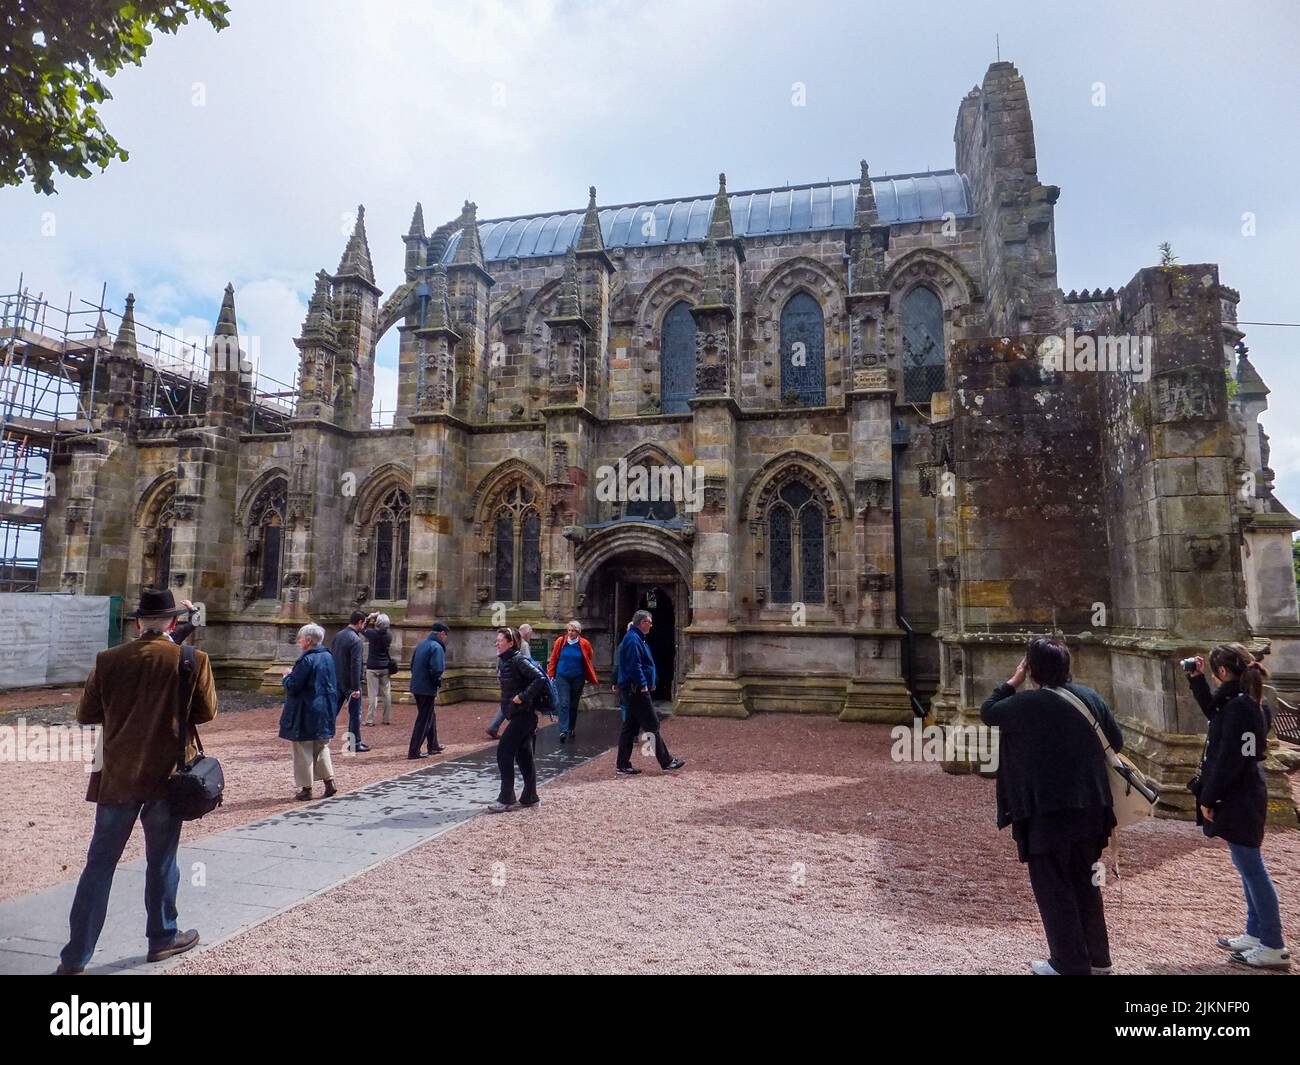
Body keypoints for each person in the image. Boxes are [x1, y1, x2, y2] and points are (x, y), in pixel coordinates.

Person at [56, 588, 218, 975]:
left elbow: (87, 714)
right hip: (168, 776)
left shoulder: (109, 659)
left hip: (118, 775)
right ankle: (162, 938)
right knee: (162, 861)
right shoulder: (193, 659)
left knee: (99, 865)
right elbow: (206, 712)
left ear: (137, 622)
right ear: (174, 622)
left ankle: (75, 957)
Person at [980, 637, 1121, 976]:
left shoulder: (1024, 704)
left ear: (1031, 668)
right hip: (1091, 806)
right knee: (1086, 880)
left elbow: (988, 711)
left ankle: (1069, 962)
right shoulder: (1089, 697)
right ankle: (1098, 959)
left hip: (1047, 810)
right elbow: (1115, 741)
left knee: (1054, 886)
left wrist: (1011, 682)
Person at [1187, 644, 1290, 970]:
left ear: (1222, 672)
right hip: (1245, 792)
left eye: (1213, 676)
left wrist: (1208, 798)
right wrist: (1197, 681)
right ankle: (1255, 933)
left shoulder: (1238, 707)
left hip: (1239, 795)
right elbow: (1218, 718)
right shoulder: (1247, 703)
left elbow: (1230, 760)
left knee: (1253, 871)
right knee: (1247, 867)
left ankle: (1273, 945)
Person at [615, 610, 685, 776]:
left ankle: (623, 764)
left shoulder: (636, 638)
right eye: (649, 622)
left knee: (629, 728)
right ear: (642, 623)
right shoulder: (633, 639)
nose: (652, 625)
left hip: (633, 689)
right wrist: (643, 684)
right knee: (652, 725)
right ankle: (667, 762)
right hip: (636, 690)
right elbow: (635, 665)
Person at [489, 626, 548, 813]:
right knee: (524, 756)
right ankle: (530, 796)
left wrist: (522, 696)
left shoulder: (518, 660)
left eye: (500, 640)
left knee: (504, 752)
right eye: (497, 640)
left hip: (524, 715)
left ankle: (506, 797)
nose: (497, 643)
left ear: (511, 642)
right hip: (518, 715)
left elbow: (540, 679)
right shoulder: (507, 660)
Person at [280, 623, 339, 801]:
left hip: (306, 709)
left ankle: (307, 788)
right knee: (322, 746)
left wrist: (286, 677)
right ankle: (329, 782)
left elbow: (294, 686)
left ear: (308, 640)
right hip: (325, 708)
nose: (298, 641)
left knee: (303, 749)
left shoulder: (307, 660)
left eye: (300, 638)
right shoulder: (328, 657)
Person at [547, 619, 599, 743]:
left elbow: (589, 657)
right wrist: (550, 674)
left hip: (578, 677)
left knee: (574, 704)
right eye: (569, 630)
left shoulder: (584, 643)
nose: (570, 633)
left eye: (573, 631)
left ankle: (571, 728)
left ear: (578, 632)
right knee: (564, 703)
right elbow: (554, 658)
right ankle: (563, 730)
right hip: (562, 676)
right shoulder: (560, 642)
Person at [408, 622, 449, 759]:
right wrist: (437, 682)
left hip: (417, 685)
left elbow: (412, 664)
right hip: (426, 687)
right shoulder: (437, 647)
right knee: (424, 719)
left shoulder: (422, 644)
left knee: (430, 715)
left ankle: (433, 745)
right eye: (445, 635)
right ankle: (414, 751)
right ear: (442, 633)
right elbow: (437, 669)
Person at [331, 610, 369, 752]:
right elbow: (356, 665)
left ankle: (321, 737)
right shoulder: (356, 640)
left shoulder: (338, 636)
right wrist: (355, 688)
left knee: (332, 712)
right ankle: (354, 743)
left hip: (337, 679)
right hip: (351, 683)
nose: (364, 626)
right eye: (364, 623)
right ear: (359, 622)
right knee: (355, 715)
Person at [361, 612, 393, 727]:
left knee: (373, 695)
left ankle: (370, 720)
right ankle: (386, 718)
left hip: (373, 667)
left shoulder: (372, 634)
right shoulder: (389, 636)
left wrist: (369, 617)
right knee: (387, 694)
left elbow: (362, 628)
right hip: (385, 667)